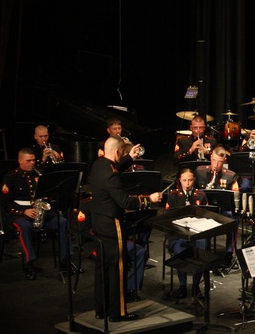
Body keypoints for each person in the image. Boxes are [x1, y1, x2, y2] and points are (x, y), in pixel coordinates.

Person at [90, 137, 161, 321]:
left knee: (103, 267)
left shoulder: (98, 165)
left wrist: (130, 157)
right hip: (112, 224)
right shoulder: (111, 175)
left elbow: (114, 169)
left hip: (98, 222)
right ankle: (118, 312)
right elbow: (125, 201)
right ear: (116, 152)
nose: (121, 156)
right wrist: (149, 199)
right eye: (121, 153)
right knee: (117, 268)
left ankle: (101, 309)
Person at [1, 148, 71, 280]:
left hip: (40, 212)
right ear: (20, 161)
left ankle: (65, 260)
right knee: (25, 227)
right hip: (19, 214)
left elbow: (48, 194)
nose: (32, 163)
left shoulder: (39, 174)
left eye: (33, 160)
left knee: (62, 222)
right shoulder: (11, 177)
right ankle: (29, 263)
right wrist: (23, 211)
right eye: (29, 160)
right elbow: (5, 203)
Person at [163, 168, 209, 300]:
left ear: (194, 180)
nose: (187, 183)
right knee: (180, 251)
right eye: (184, 180)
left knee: (202, 248)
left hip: (197, 234)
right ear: (180, 181)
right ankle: (182, 285)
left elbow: (207, 216)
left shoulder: (200, 195)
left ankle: (196, 285)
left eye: (190, 180)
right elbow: (167, 219)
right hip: (178, 235)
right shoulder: (173, 195)